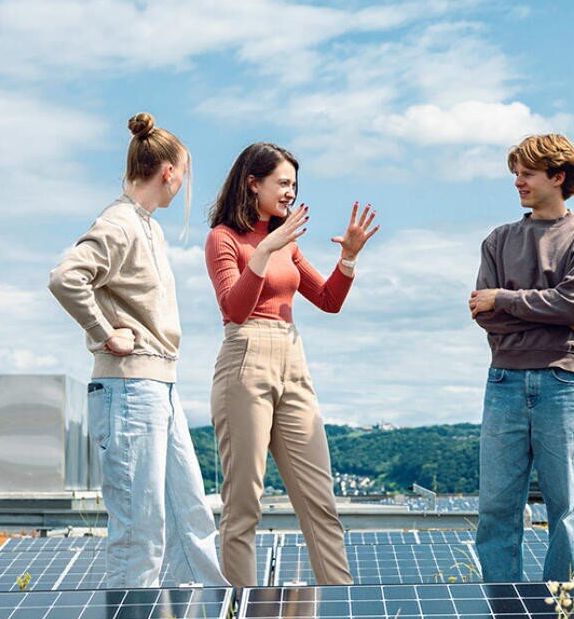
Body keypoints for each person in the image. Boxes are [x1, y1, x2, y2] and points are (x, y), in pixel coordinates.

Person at [48, 113, 225, 589]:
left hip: (159, 388)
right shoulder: (119, 223)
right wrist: (105, 332)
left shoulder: (149, 227)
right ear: (168, 171)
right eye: (183, 174)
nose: (182, 184)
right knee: (141, 533)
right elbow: (66, 278)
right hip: (128, 390)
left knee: (191, 521)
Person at [204, 143, 379, 586]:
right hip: (246, 360)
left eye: (294, 185)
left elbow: (328, 300)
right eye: (282, 183)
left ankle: (344, 610)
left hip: (293, 359)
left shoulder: (287, 242)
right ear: (252, 183)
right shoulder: (223, 238)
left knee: (320, 500)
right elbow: (234, 307)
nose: (290, 193)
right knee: (244, 503)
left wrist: (350, 257)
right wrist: (263, 251)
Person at [470, 133, 574, 584]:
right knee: (496, 509)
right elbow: (483, 316)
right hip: (504, 382)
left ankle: (559, 611)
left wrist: (505, 299)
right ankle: (501, 607)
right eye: (515, 173)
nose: (517, 182)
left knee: (565, 509)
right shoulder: (498, 240)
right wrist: (548, 314)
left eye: (527, 173)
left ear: (558, 176)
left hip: (561, 383)